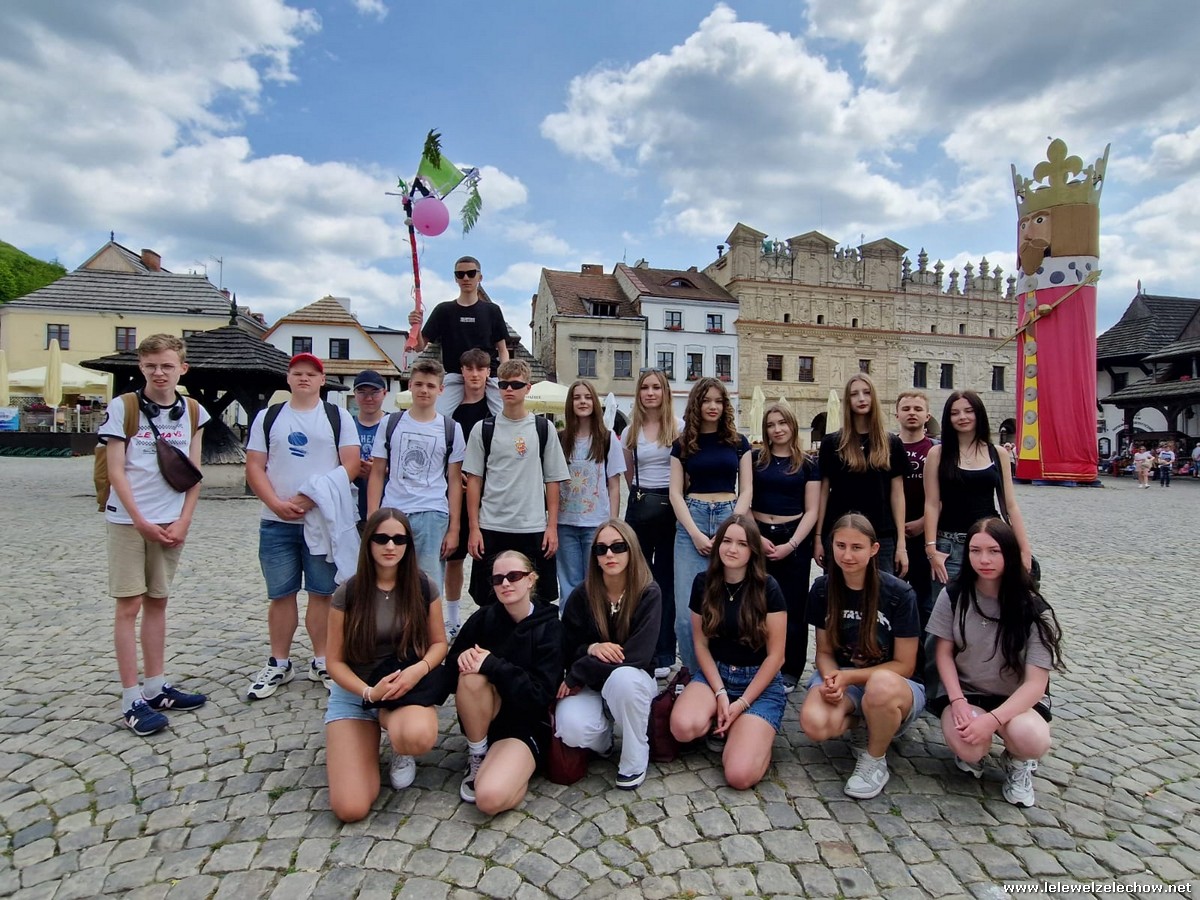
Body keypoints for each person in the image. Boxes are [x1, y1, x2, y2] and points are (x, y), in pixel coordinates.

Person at [99, 333, 209, 735]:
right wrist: (139, 519)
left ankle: (155, 686)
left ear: (182, 368)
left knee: (158, 602)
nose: (159, 373)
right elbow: (116, 470)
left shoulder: (193, 411)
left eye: (166, 365)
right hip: (129, 521)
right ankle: (131, 698)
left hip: (170, 521)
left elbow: (194, 474)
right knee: (129, 606)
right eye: (150, 366)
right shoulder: (123, 407)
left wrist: (184, 520)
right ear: (141, 368)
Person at [244, 353, 360, 699]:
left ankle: (322, 659)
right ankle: (279, 661)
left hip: (322, 520)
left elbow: (350, 464)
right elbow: (255, 466)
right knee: (281, 593)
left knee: (322, 593)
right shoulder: (269, 417)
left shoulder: (337, 417)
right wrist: (275, 503)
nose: (304, 378)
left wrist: (312, 498)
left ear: (322, 380)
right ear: (288, 378)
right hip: (277, 521)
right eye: (298, 373)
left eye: (311, 373)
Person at [928, 517, 1065, 808]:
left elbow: (1036, 683)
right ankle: (973, 749)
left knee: (1032, 739)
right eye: (975, 551)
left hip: (1017, 700)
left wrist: (992, 720)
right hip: (968, 693)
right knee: (969, 748)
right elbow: (943, 653)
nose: (984, 560)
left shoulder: (1034, 609)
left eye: (994, 551)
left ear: (1010, 553)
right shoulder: (953, 594)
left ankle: (1018, 761)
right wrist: (957, 701)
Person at [324, 509, 448, 820]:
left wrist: (418, 670)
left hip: (403, 687)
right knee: (351, 808)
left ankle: (397, 742)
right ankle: (363, 736)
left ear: (408, 544)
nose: (390, 546)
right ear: (368, 543)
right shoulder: (348, 592)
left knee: (417, 735)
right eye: (381, 538)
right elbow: (334, 661)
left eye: (398, 539)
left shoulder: (423, 586)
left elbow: (439, 644)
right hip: (357, 692)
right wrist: (368, 693)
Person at [801, 513, 924, 799]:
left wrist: (849, 677)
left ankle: (875, 759)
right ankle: (870, 723)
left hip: (894, 684)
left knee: (880, 684)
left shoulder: (899, 594)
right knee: (814, 723)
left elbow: (905, 665)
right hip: (846, 677)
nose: (847, 555)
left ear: (873, 549)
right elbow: (825, 652)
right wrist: (832, 679)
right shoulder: (822, 589)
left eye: (857, 547)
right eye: (840, 546)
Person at [669, 515, 786, 790]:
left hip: (759, 683)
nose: (732, 549)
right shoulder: (703, 582)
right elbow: (700, 645)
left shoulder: (768, 587)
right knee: (682, 728)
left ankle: (751, 734)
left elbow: (776, 657)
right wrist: (721, 693)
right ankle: (723, 718)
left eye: (742, 544)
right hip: (717, 674)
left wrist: (742, 703)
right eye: (727, 541)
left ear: (753, 551)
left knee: (739, 776)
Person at [447, 550, 564, 814]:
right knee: (470, 676)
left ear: (531, 579)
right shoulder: (484, 618)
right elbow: (450, 667)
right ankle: (478, 754)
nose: (505, 584)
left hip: (527, 724)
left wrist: (493, 665)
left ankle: (516, 769)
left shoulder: (550, 628)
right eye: (498, 579)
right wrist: (461, 658)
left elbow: (541, 695)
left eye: (514, 576)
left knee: (489, 799)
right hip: (488, 719)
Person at [555, 520, 661, 789]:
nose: (609, 555)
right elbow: (566, 648)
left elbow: (637, 655)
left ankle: (635, 754)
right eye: (601, 549)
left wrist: (582, 669)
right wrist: (592, 648)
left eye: (618, 547)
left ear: (631, 549)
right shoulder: (582, 594)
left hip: (634, 679)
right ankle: (603, 741)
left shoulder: (648, 593)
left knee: (623, 679)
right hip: (592, 685)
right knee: (570, 728)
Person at [463, 359, 570, 607]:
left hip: (531, 527)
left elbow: (553, 481)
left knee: (537, 601)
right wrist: (474, 528)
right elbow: (474, 481)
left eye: (516, 385)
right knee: (489, 600)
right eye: (504, 385)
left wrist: (552, 527)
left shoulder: (544, 428)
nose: (509, 389)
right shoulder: (483, 429)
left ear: (528, 388)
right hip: (492, 525)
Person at [670, 377, 752, 671]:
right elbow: (675, 493)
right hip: (692, 520)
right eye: (706, 400)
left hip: (730, 520)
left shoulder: (738, 442)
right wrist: (694, 533)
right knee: (685, 614)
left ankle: (727, 672)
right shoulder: (682, 445)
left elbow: (747, 491)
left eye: (718, 400)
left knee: (729, 607)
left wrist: (729, 529)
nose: (713, 406)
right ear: (696, 404)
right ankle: (694, 675)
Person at [367, 358, 466, 597]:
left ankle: (427, 623)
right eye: (419, 384)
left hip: (432, 513)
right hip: (393, 511)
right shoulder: (390, 423)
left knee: (428, 587)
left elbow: (455, 481)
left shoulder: (451, 429)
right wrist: (372, 516)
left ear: (441, 389)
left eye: (431, 386)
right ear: (410, 385)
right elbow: (377, 472)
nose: (424, 390)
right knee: (388, 581)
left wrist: (454, 528)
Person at [924, 391, 1032, 598]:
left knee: (993, 605)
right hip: (949, 545)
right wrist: (931, 549)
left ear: (979, 413)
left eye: (968, 411)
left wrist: (1024, 549)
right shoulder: (937, 454)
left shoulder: (998, 453)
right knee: (947, 607)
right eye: (955, 413)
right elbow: (931, 503)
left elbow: (1010, 506)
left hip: (991, 542)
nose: (962, 417)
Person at [751, 403, 819, 690]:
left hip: (794, 537)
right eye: (771, 424)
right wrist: (755, 536)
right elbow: (745, 500)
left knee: (793, 606)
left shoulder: (808, 464)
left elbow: (812, 510)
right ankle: (758, 661)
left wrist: (791, 545)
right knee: (758, 603)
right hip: (759, 535)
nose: (777, 429)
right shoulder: (756, 460)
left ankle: (790, 668)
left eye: (782, 423)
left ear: (792, 425)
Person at [815, 374, 908, 578]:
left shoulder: (891, 443)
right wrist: (818, 537)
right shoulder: (832, 443)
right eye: (854, 394)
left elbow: (897, 495)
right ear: (847, 400)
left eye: (866, 393)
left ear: (874, 397)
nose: (861, 398)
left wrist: (901, 543)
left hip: (881, 535)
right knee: (837, 593)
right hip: (840, 533)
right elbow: (823, 493)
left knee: (882, 594)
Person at [622, 368, 682, 679]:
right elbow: (628, 473)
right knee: (639, 581)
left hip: (671, 506)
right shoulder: (630, 431)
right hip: (640, 505)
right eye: (645, 387)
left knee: (667, 582)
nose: (650, 393)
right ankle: (641, 648)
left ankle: (665, 652)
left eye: (656, 387)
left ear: (664, 392)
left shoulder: (679, 427)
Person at [408, 256, 509, 416]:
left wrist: (505, 377)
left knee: (504, 417)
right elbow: (420, 346)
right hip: (455, 376)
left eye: (471, 273)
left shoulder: (492, 310)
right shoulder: (443, 310)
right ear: (455, 278)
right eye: (460, 274)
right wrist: (417, 327)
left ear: (480, 277)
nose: (466, 278)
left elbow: (502, 349)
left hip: (488, 376)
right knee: (436, 416)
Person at [556, 380, 625, 603]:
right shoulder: (560, 439)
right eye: (577, 397)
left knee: (596, 582)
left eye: (587, 397)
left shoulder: (607, 439)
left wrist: (612, 523)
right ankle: (569, 622)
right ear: (570, 403)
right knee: (568, 583)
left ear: (595, 402)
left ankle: (595, 623)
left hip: (596, 524)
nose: (582, 402)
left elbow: (614, 485)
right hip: (565, 523)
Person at [443, 349, 494, 640]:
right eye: (469, 369)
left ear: (488, 373)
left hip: (487, 494)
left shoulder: (493, 409)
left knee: (488, 558)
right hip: (453, 490)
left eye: (480, 369)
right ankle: (452, 620)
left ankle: (490, 619)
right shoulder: (450, 411)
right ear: (461, 372)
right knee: (453, 558)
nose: (475, 374)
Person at [894, 391, 936, 630]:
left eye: (918, 409)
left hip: (925, 534)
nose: (912, 413)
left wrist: (923, 522)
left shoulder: (935, 450)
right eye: (906, 408)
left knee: (924, 599)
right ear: (896, 414)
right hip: (893, 534)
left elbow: (943, 494)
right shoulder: (887, 447)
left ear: (927, 416)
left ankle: (921, 648)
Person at [350, 370, 388, 526]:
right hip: (352, 508)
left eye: (374, 392)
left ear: (384, 393)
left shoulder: (394, 425)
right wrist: (353, 468)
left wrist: (381, 469)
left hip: (387, 506)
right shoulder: (346, 425)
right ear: (355, 394)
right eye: (362, 392)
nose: (368, 398)